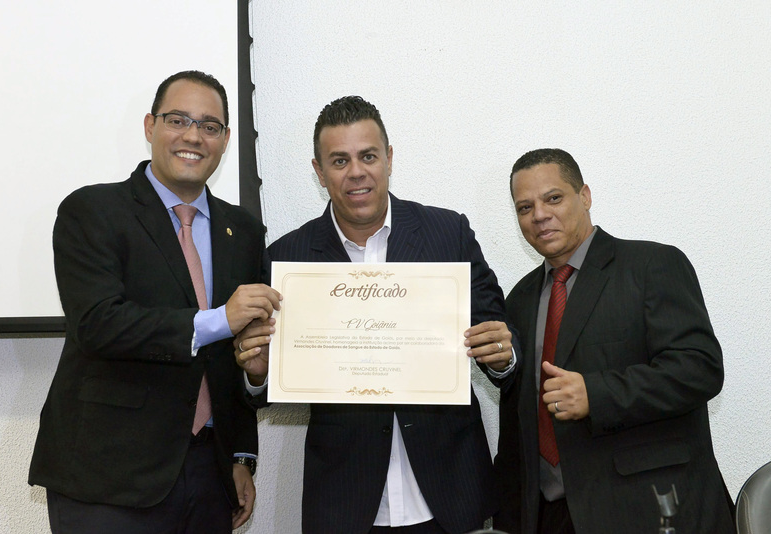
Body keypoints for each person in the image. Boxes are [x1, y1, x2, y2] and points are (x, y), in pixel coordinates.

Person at [236, 96, 518, 534]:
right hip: (345, 503)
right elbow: (264, 386)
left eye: (368, 156)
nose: (356, 172)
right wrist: (259, 373)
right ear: (319, 172)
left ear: (388, 158)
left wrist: (502, 355)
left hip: (451, 496)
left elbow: (498, 338)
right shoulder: (287, 260)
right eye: (339, 160)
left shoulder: (449, 234)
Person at [28, 70, 281, 534]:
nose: (193, 136)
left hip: (210, 475)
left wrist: (242, 454)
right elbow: (98, 324)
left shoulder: (243, 231)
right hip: (108, 479)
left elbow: (240, 353)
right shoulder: (93, 211)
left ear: (226, 140)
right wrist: (218, 320)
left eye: (209, 126)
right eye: (178, 120)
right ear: (150, 126)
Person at [493, 148, 735, 533]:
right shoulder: (519, 300)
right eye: (525, 207)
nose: (539, 215)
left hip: (648, 510)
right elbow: (518, 426)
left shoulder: (652, 266)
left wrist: (597, 394)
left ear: (585, 196)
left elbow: (699, 370)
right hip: (549, 516)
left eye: (553, 198)